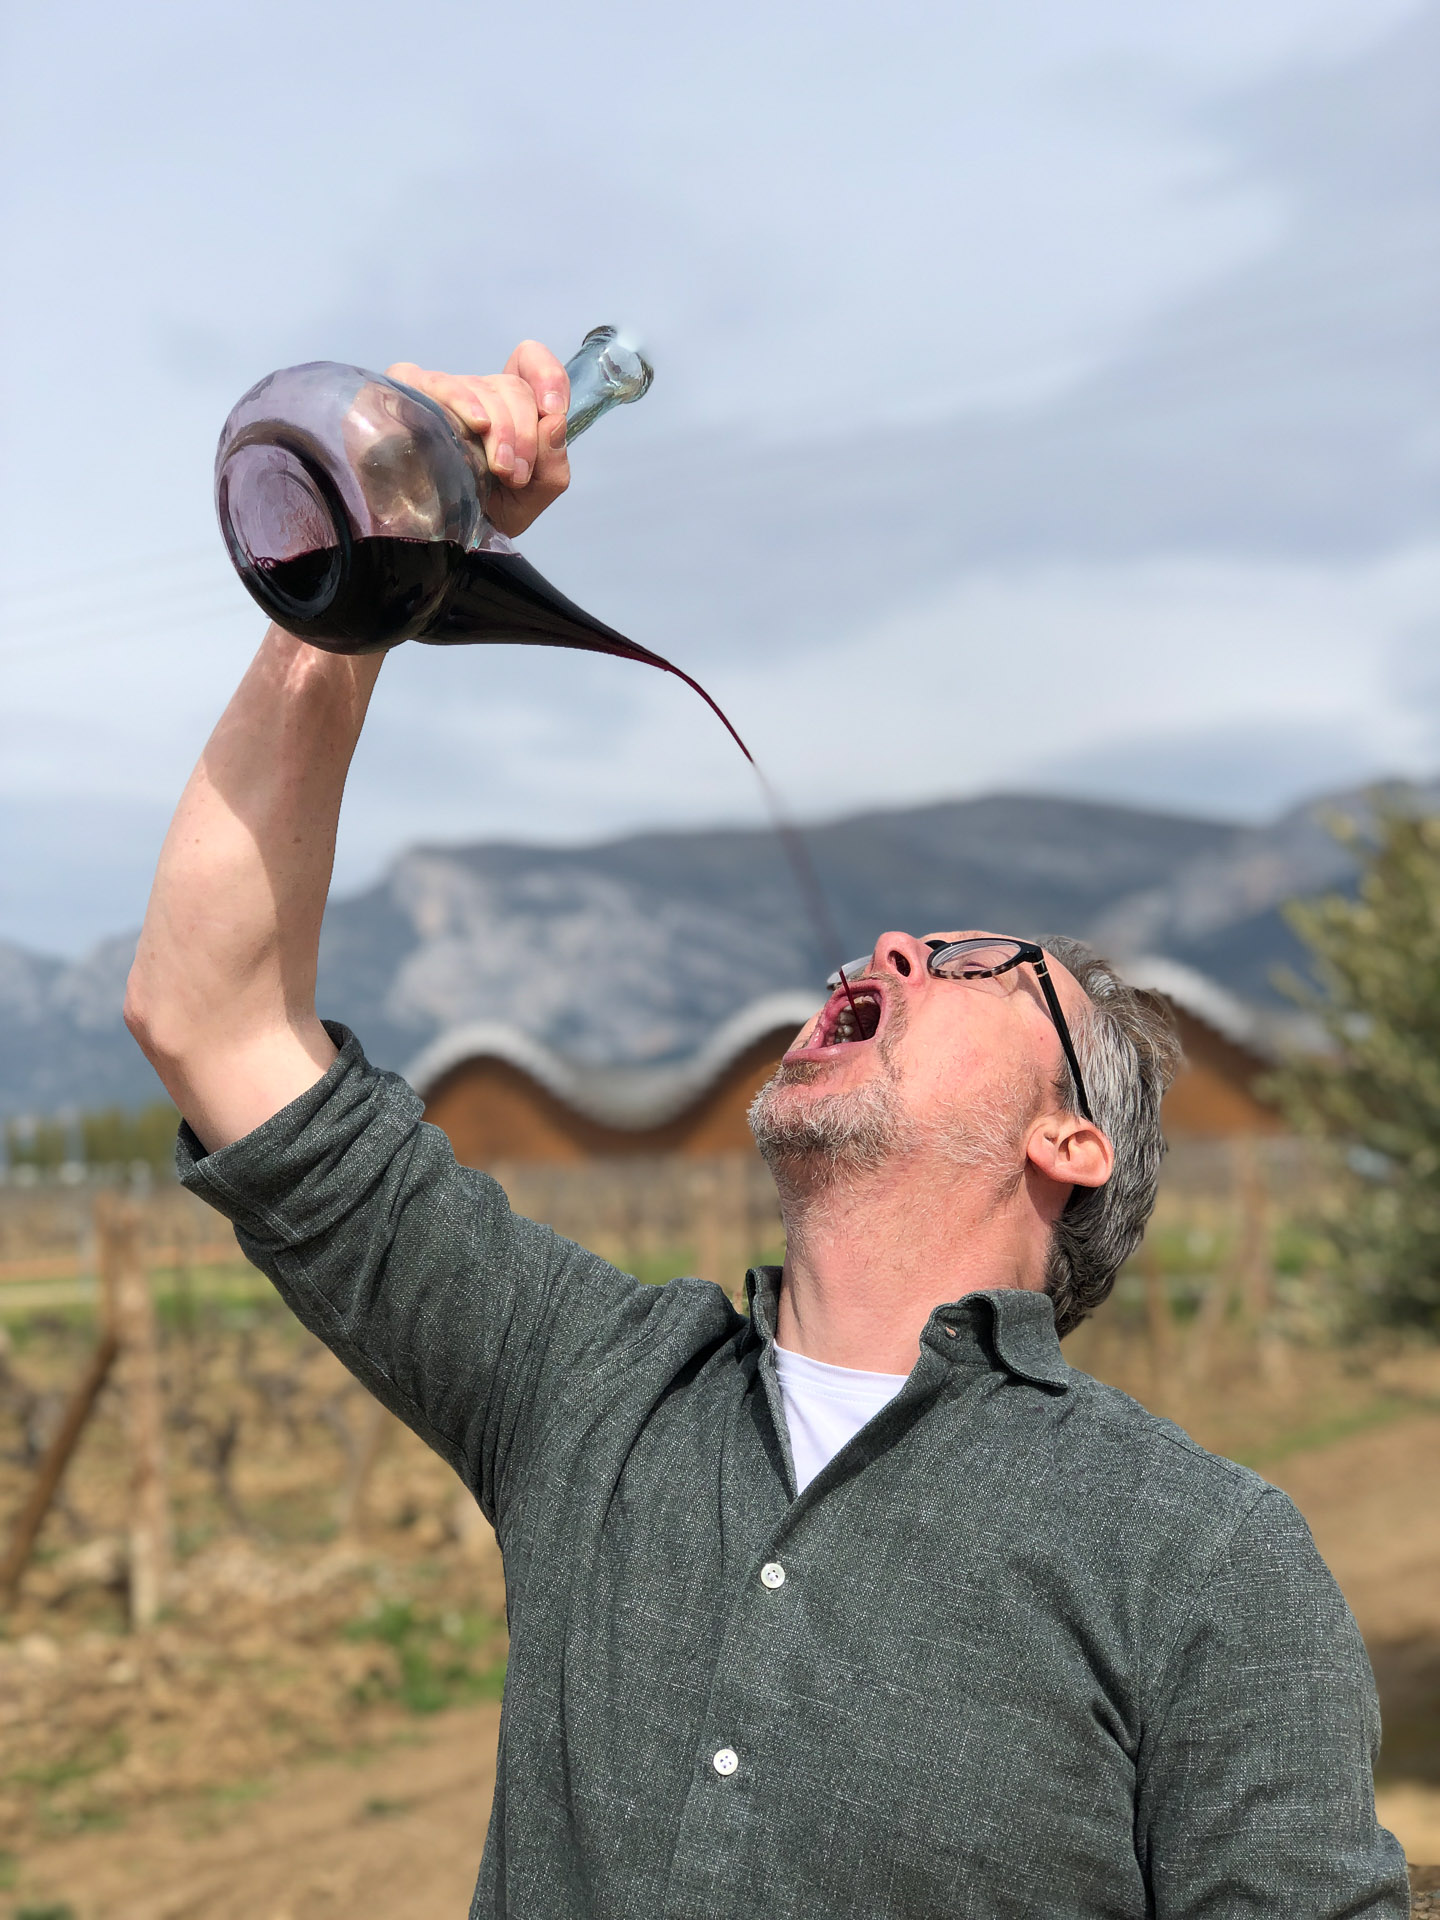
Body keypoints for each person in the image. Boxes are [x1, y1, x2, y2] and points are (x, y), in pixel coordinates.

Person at [125, 340, 1409, 1919]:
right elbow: (214, 1017)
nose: (882, 954)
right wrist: (379, 565)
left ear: (1071, 1143)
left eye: (968, 965)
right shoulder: (584, 1388)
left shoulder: (1202, 1555)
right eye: (892, 948)